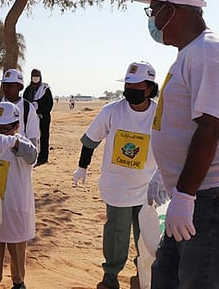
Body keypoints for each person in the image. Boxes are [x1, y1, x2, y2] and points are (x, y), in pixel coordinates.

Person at [136, 0, 219, 289]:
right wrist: (166, 175)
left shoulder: (207, 50)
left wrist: (185, 196)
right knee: (165, 278)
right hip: (190, 198)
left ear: (174, 9)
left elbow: (211, 128)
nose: (153, 18)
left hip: (205, 201)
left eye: (155, 9)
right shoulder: (188, 54)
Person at [72, 61, 166, 289]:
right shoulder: (112, 111)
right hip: (117, 188)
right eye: (128, 84)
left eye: (138, 85)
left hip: (148, 188)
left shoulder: (159, 114)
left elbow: (170, 147)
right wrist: (82, 167)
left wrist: (164, 176)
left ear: (150, 88)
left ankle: (143, 275)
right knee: (117, 234)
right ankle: (111, 275)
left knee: (146, 236)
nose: (131, 89)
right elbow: (91, 140)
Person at [0, 101, 38, 289]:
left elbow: (32, 156)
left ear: (16, 126)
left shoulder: (22, 145)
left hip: (16, 209)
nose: (0, 132)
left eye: (5, 128)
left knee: (17, 250)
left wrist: (15, 142)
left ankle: (18, 281)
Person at [0, 69, 40, 156]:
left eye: (10, 85)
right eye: (4, 85)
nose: (6, 88)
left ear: (20, 87)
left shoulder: (28, 108)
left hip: (20, 159)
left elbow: (32, 139)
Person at [23, 68, 53, 165]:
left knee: (44, 136)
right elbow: (24, 102)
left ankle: (43, 157)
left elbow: (49, 104)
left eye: (37, 76)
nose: (35, 78)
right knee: (31, 135)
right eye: (33, 76)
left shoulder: (45, 90)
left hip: (43, 117)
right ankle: (31, 155)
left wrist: (38, 107)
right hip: (30, 118)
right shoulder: (28, 90)